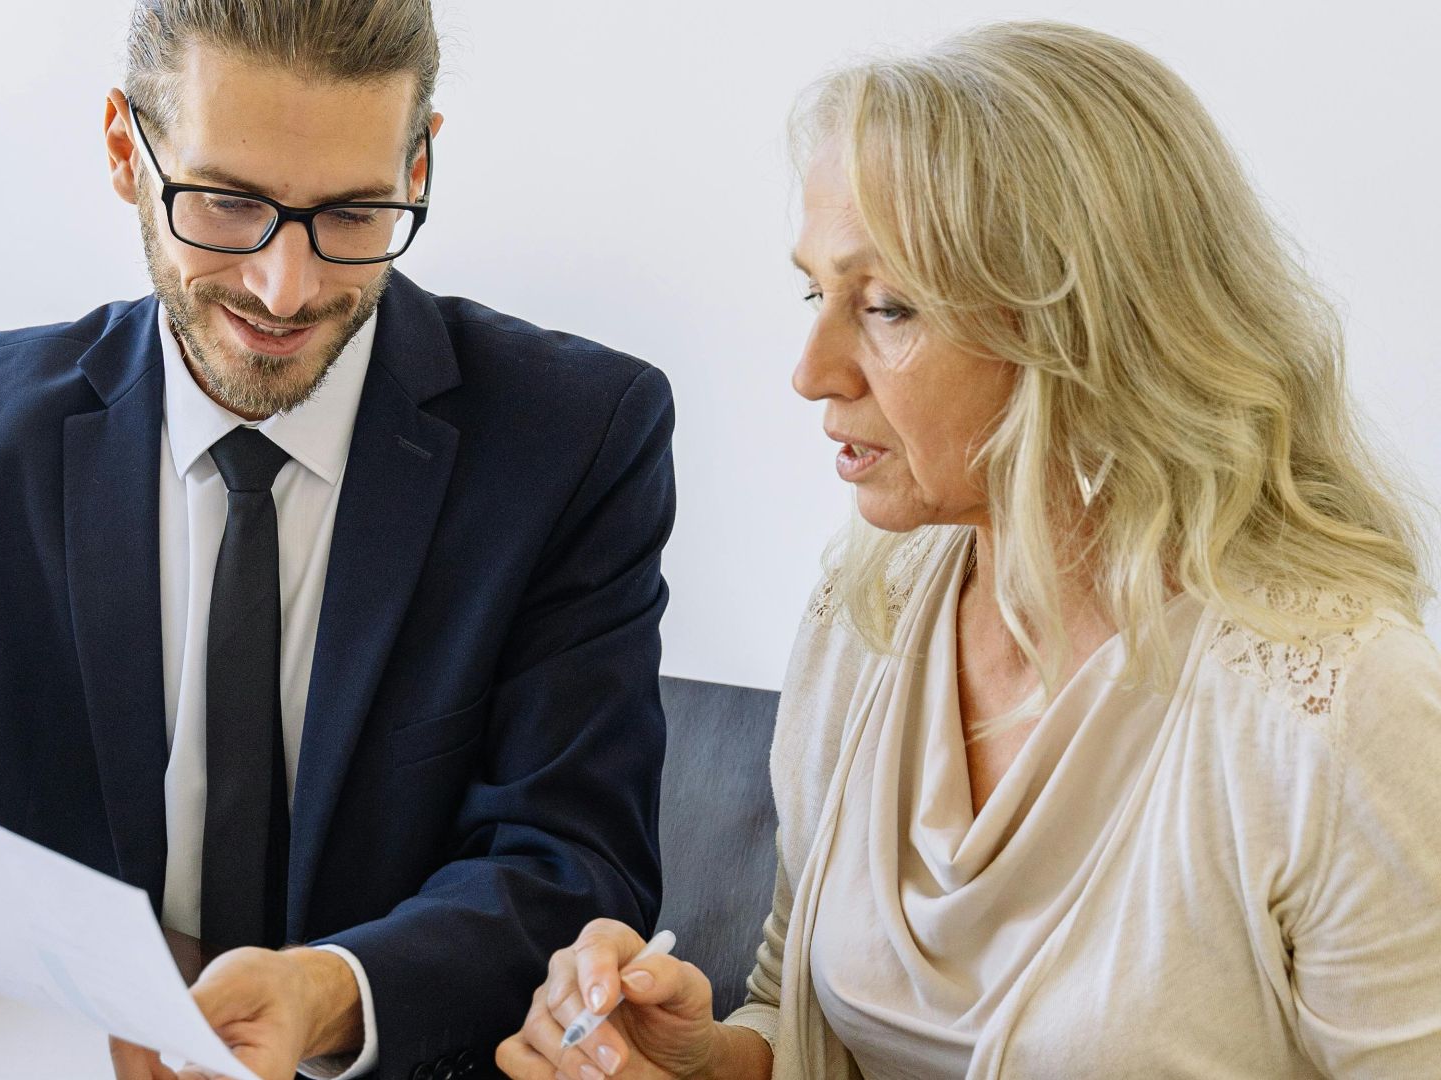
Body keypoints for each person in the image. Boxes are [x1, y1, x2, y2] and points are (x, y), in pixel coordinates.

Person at [0, 3, 675, 1078]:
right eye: (226, 204)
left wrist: (331, 990)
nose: (286, 288)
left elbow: (576, 865)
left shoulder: (576, 438)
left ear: (417, 169)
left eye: (354, 213)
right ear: (127, 151)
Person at [500, 21, 1441, 1080]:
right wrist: (696, 1060)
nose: (812, 372)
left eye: (888, 306)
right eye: (818, 293)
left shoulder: (1345, 709)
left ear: (1087, 334)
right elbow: (794, 1019)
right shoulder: (868, 608)